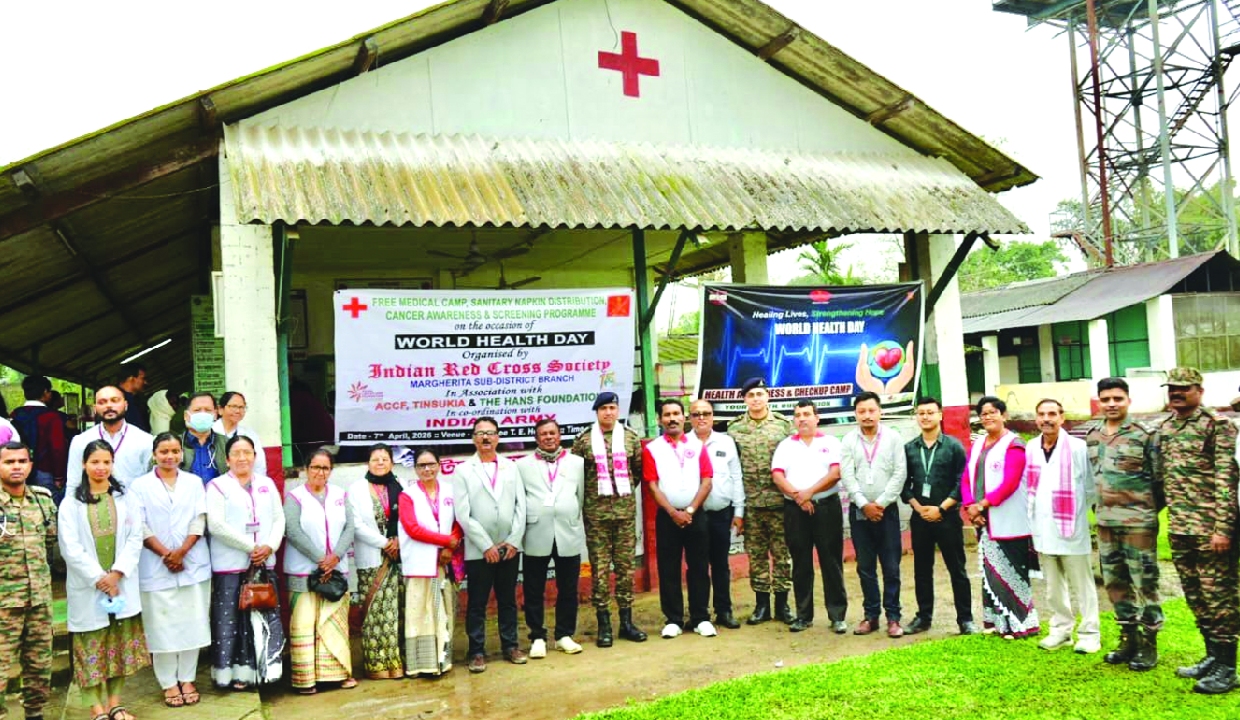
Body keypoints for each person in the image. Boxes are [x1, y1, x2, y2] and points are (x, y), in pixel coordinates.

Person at [1155, 367, 1240, 694]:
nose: (1176, 393)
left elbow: (1226, 480)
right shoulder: (1166, 427)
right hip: (1180, 528)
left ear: (1199, 391)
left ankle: (1227, 668)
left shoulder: (1217, 425)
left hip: (1210, 530)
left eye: (1184, 388)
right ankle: (1212, 656)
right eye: (1172, 389)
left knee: (1219, 598)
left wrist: (1223, 528)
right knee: (1196, 596)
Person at [59, 440, 147, 720]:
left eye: (106, 462)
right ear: (84, 465)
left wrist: (117, 573)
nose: (101, 467)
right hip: (89, 587)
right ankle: (96, 709)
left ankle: (114, 704)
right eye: (95, 462)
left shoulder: (126, 498)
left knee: (118, 648)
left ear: (112, 464)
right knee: (90, 649)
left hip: (121, 584)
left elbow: (135, 537)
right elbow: (70, 547)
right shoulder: (71, 503)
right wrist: (99, 578)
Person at [129, 433, 211, 707]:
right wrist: (167, 554)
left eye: (175, 451)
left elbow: (199, 519)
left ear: (181, 454)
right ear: (154, 455)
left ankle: (187, 679)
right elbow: (139, 525)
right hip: (155, 565)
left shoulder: (194, 482)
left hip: (192, 562)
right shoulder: (139, 486)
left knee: (193, 623)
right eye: (164, 451)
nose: (170, 456)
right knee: (161, 627)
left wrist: (182, 552)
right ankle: (168, 682)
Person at [1088, 377, 1162, 668]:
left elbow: (1159, 480)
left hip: (1138, 524)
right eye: (1105, 399)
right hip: (1106, 523)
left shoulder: (1145, 435)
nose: (1111, 404)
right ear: (1099, 401)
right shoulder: (1093, 435)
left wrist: (1143, 510)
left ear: (1128, 400)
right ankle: (1128, 639)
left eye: (1117, 398)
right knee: (1115, 583)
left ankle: (1149, 644)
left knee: (1145, 583)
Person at [205, 435, 285, 690]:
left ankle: (266, 673)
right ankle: (232, 676)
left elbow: (279, 518)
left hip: (263, 565)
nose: (242, 458)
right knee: (230, 620)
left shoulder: (266, 484)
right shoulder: (217, 486)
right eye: (236, 453)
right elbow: (216, 525)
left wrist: (269, 546)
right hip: (230, 564)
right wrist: (251, 547)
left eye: (247, 452)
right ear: (227, 459)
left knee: (265, 618)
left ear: (255, 456)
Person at [571, 391, 649, 646]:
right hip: (596, 517)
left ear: (618, 410)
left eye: (612, 408)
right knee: (600, 571)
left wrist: (620, 495)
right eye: (603, 408)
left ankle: (627, 622)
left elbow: (637, 472)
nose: (608, 412)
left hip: (624, 514)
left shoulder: (630, 438)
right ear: (597, 411)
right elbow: (577, 476)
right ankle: (604, 624)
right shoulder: (583, 441)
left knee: (626, 569)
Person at [1026, 399, 1100, 654]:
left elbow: (1090, 488)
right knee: (1053, 586)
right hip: (1042, 527)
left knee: (1082, 584)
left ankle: (1090, 634)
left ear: (1062, 417)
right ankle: (1061, 630)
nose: (1046, 419)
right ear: (1036, 418)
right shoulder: (1031, 447)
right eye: (1041, 414)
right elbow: (1029, 485)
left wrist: (1074, 513)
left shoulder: (1078, 447)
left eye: (1052, 414)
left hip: (1071, 526)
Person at [963, 396, 1038, 640]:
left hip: (1009, 520)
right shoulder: (977, 444)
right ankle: (998, 623)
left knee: (1012, 571)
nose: (988, 417)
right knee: (991, 573)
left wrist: (982, 505)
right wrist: (970, 506)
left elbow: (1010, 483)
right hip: (983, 520)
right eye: (983, 413)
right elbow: (966, 477)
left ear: (1003, 415)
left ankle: (1020, 623)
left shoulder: (1014, 444)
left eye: (993, 412)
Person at [457, 417, 528, 672]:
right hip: (479, 551)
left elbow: (521, 506)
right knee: (477, 602)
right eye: (480, 433)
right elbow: (463, 514)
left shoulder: (512, 467)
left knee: (508, 600)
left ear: (498, 437)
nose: (485, 437)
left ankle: (510, 645)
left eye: (490, 433)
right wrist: (486, 545)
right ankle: (476, 651)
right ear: (473, 438)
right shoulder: (463, 470)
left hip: (509, 548)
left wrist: (513, 541)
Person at [900, 397, 975, 636]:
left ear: (940, 415)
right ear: (916, 416)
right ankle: (923, 617)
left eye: (930, 412)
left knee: (957, 569)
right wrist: (918, 507)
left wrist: (941, 509)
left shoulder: (953, 447)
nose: (925, 417)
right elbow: (903, 484)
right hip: (920, 518)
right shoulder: (909, 449)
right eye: (921, 413)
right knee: (922, 570)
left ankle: (965, 619)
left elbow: (962, 482)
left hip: (948, 518)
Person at [771, 399, 847, 634]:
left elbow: (835, 473)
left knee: (831, 561)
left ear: (817, 417)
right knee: (801, 562)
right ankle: (803, 616)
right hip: (795, 510)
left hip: (826, 508)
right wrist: (798, 497)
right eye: (798, 415)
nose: (802, 419)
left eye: (806, 414)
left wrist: (809, 493)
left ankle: (837, 616)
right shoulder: (785, 445)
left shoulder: (831, 442)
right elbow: (777, 476)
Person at [284, 448, 357, 694]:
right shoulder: (294, 497)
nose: (320, 472)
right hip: (303, 571)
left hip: (335, 571)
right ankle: (306, 680)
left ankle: (337, 675)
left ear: (331, 471)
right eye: (315, 467)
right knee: (304, 624)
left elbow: (349, 528)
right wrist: (320, 559)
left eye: (325, 468)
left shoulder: (340, 495)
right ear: (306, 469)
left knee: (334, 623)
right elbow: (293, 531)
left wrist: (335, 557)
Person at [643, 400, 715, 639]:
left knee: (699, 567)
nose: (672, 418)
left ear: (684, 417)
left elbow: (707, 481)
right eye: (667, 415)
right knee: (668, 568)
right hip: (668, 517)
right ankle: (673, 619)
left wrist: (691, 510)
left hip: (696, 515)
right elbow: (652, 486)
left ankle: (700, 618)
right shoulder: (653, 449)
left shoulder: (698, 446)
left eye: (676, 413)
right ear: (659, 419)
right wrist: (673, 513)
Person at [726, 378, 795, 626]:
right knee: (756, 556)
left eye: (759, 394)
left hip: (779, 502)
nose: (756, 399)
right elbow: (732, 468)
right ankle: (761, 605)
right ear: (745, 399)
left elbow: (792, 461)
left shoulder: (783, 426)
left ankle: (782, 605)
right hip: (751, 504)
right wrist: (738, 508)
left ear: (768, 397)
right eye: (751, 395)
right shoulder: (734, 428)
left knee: (782, 555)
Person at [516, 419, 586, 656]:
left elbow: (580, 496)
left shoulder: (577, 463)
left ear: (559, 435)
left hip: (568, 532)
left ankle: (564, 635)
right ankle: (537, 636)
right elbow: (520, 499)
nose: (548, 437)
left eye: (552, 433)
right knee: (534, 588)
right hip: (536, 532)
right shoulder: (522, 465)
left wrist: (570, 515)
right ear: (536, 438)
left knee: (568, 587)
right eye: (543, 434)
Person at [840, 391, 907, 638]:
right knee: (865, 567)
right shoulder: (848, 440)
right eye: (862, 411)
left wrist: (880, 504)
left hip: (887, 510)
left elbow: (900, 473)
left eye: (871, 410)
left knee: (891, 566)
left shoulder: (893, 438)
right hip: (860, 511)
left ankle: (893, 617)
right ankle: (871, 616)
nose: (867, 415)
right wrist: (863, 505)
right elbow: (847, 475)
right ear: (855, 414)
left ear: (880, 412)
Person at [0, 442, 57, 720]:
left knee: (39, 665)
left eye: (22, 461)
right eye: (9, 462)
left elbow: (50, 541)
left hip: (39, 601)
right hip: (3, 604)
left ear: (30, 466)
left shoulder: (43, 500)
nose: (16, 467)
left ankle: (34, 713)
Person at [398, 448, 463, 676]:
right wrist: (446, 541)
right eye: (421, 466)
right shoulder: (408, 495)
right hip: (420, 562)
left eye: (431, 464)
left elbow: (459, 520)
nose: (427, 469)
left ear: (439, 465)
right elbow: (412, 529)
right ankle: (420, 664)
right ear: (415, 469)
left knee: (443, 611)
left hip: (444, 562)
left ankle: (443, 660)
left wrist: (449, 547)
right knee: (419, 613)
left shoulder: (450, 491)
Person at [346, 444, 405, 680]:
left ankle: (396, 661)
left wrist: (398, 541)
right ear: (367, 463)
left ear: (392, 462)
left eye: (384, 459)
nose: (380, 463)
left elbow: (408, 518)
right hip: (372, 559)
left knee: (395, 613)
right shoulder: (357, 489)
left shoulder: (400, 486)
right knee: (374, 613)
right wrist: (385, 543)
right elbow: (356, 525)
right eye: (375, 459)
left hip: (398, 559)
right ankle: (376, 665)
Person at [688, 399, 744, 630]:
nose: (701, 417)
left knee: (721, 564)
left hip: (721, 513)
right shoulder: (683, 443)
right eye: (696, 414)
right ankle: (699, 614)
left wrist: (739, 511)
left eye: (706, 413)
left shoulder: (726, 442)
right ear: (689, 418)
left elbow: (736, 477)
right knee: (697, 566)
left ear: (713, 417)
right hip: (694, 515)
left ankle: (724, 611)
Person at [66, 386, 153, 494]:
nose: (109, 405)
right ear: (95, 409)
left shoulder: (145, 441)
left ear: (126, 405)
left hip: (134, 503)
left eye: (114, 400)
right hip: (94, 502)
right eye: (102, 402)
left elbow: (152, 483)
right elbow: (73, 484)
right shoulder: (81, 441)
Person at [9, 375, 67, 502]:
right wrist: (59, 476)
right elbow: (57, 448)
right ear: (45, 392)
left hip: (19, 470)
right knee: (49, 506)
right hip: (45, 471)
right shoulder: (52, 417)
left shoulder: (15, 414)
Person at [215, 391, 267, 479]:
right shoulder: (210, 431)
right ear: (220, 409)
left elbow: (259, 466)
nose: (238, 411)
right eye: (233, 406)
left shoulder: (250, 434)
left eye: (241, 407)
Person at [182, 392, 227, 483]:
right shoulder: (173, 445)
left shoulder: (228, 444)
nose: (203, 414)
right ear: (186, 416)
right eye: (197, 410)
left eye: (208, 410)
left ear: (215, 414)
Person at [117, 363, 150, 433]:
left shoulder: (137, 400)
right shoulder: (114, 401)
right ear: (131, 378)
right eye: (143, 378)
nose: (145, 383)